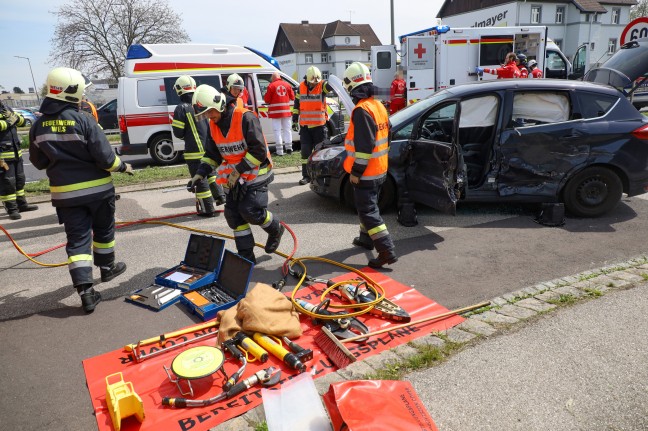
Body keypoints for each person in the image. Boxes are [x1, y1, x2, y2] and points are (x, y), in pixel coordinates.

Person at [29, 67, 133, 313]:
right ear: (72, 91)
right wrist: (123, 167)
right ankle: (107, 269)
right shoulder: (84, 120)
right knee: (104, 231)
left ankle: (86, 292)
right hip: (98, 193)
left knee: (78, 241)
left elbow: (39, 162)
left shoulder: (38, 126)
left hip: (66, 196)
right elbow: (107, 159)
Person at [188, 84, 284, 264]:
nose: (209, 117)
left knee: (250, 210)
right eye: (206, 114)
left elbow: (259, 151)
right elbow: (213, 154)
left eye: (210, 112)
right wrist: (200, 174)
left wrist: (237, 171)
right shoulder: (213, 124)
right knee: (233, 215)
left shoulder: (245, 117)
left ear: (220, 105)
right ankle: (247, 257)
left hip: (257, 171)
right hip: (235, 175)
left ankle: (275, 228)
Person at [342, 62, 397, 269]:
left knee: (368, 211)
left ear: (351, 86)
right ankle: (365, 239)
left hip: (366, 173)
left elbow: (364, 147)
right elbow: (388, 135)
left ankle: (386, 251)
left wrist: (356, 172)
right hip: (380, 169)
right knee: (367, 207)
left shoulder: (361, 110)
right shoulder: (378, 106)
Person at [171, 75, 225, 216]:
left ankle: (207, 210)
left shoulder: (181, 108)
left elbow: (178, 132)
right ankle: (220, 196)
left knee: (200, 181)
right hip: (208, 149)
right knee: (211, 174)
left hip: (194, 153)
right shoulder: (200, 103)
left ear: (178, 90)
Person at [292, 66, 335, 185]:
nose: (314, 84)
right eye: (312, 82)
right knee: (305, 153)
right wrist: (295, 119)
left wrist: (330, 80)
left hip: (319, 128)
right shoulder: (301, 87)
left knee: (320, 154)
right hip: (305, 128)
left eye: (316, 81)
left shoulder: (322, 86)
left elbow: (332, 85)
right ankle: (306, 176)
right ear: (307, 79)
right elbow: (297, 104)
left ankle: (321, 176)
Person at [0, 100, 38, 220]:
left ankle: (22, 204)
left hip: (16, 152)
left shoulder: (5, 108)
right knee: (8, 182)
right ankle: (11, 209)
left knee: (20, 179)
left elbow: (21, 121)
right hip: (3, 155)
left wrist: (13, 118)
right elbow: (4, 125)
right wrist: (11, 120)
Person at [263, 72, 295, 156]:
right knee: (287, 130)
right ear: (279, 77)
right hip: (286, 112)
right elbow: (293, 97)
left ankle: (280, 151)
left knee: (277, 131)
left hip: (275, 113)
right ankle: (289, 148)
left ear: (273, 78)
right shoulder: (287, 85)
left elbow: (267, 100)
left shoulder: (271, 86)